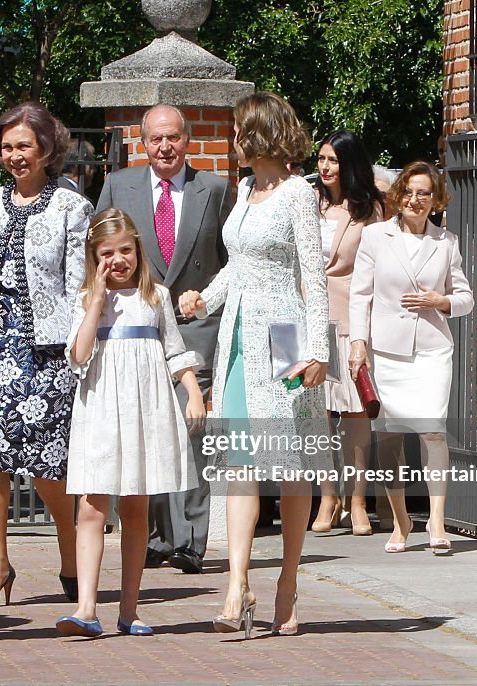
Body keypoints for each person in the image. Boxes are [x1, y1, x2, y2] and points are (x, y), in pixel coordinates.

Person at [180, 91, 330, 638]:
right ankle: (237, 584)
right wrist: (204, 297)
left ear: (261, 134)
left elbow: (313, 277)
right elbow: (237, 267)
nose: (233, 141)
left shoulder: (298, 194)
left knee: (289, 466)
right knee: (240, 462)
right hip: (240, 339)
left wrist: (319, 351)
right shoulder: (243, 190)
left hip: (288, 336)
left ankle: (287, 583)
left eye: (239, 131)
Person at [96, 103, 232, 575]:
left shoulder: (213, 189)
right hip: (139, 330)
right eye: (155, 139)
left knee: (192, 431)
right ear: (143, 142)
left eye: (172, 137)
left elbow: (231, 261)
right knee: (146, 430)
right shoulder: (119, 186)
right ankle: (155, 536)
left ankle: (191, 540)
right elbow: (100, 251)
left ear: (187, 140)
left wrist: (208, 302)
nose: (164, 147)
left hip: (195, 329)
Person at [56, 209, 206, 637]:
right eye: (108, 253)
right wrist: (97, 301)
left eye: (126, 250)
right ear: (95, 257)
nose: (118, 260)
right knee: (91, 506)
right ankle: (86, 607)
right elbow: (79, 355)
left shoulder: (155, 296)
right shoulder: (87, 298)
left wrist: (193, 391)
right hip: (102, 407)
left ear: (138, 250)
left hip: (144, 409)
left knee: (137, 507)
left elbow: (175, 351)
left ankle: (129, 608)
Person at [0, 102, 92, 605]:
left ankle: (69, 551)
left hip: (47, 351)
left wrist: (78, 349)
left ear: (46, 150)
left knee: (48, 467)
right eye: (7, 146)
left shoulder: (71, 207)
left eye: (24, 146)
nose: (15, 155)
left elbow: (82, 286)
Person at [349, 160, 474, 554]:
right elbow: (360, 294)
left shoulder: (446, 243)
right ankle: (401, 521)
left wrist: (442, 301)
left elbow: (467, 298)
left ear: (435, 200)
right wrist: (358, 342)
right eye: (408, 192)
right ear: (397, 195)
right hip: (387, 350)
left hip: (432, 350)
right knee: (389, 438)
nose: (415, 200)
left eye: (424, 193)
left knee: (433, 430)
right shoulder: (374, 237)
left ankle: (436, 520)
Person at [309, 131, 384, 536]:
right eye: (321, 159)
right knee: (318, 412)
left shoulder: (370, 209)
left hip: (349, 318)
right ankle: (328, 496)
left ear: (349, 164)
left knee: (355, 411)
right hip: (309, 319)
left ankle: (357, 499)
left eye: (333, 160)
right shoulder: (309, 202)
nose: (324, 167)